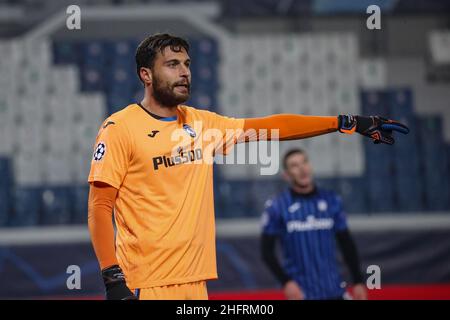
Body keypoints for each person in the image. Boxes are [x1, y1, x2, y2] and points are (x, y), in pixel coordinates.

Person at [87, 33, 408, 300]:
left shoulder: (202, 123)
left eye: (187, 64)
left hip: (195, 283)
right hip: (146, 284)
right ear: (146, 75)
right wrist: (113, 278)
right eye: (172, 65)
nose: (184, 72)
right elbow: (100, 207)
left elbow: (274, 126)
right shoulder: (120, 127)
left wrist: (346, 122)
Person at [261, 148, 368, 300]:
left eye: (304, 162)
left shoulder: (331, 200)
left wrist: (358, 281)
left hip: (335, 291)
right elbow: (266, 252)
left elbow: (347, 244)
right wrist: (286, 282)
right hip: (302, 294)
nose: (302, 168)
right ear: (286, 175)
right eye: (294, 165)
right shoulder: (277, 206)